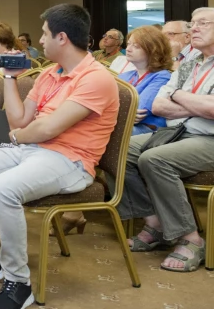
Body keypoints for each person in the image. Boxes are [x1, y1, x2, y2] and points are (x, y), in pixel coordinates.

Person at [0, 4, 118, 309]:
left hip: (70, 160)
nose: (41, 41)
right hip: (30, 149)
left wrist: (21, 135)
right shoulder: (50, 72)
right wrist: (9, 77)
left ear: (62, 37)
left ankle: (18, 282)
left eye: (46, 34)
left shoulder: (96, 78)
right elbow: (17, 118)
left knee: (2, 188)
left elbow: (47, 128)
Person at [119, 7, 214, 272]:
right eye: (192, 24)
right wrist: (195, 103)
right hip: (178, 132)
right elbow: (160, 104)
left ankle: (191, 239)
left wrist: (181, 97)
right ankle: (155, 224)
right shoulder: (191, 63)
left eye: (202, 23)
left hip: (209, 137)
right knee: (120, 150)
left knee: (155, 159)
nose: (194, 28)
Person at [57, 26, 173, 236]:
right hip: (120, 128)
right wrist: (118, 110)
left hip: (148, 131)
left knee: (99, 147)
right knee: (81, 142)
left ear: (153, 49)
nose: (129, 49)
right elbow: (110, 106)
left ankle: (76, 211)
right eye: (129, 44)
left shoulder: (161, 76)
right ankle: (77, 210)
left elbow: (140, 110)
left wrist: (114, 110)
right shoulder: (126, 74)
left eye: (136, 45)